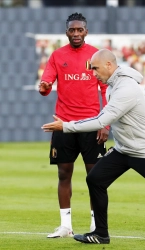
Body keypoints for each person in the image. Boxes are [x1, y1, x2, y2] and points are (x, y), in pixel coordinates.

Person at [41, 49, 145, 247]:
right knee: (95, 179)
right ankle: (100, 234)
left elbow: (102, 120)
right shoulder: (112, 85)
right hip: (124, 149)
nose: (93, 73)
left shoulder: (127, 88)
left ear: (108, 65)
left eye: (95, 68)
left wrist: (66, 126)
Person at [38, 13, 109, 238]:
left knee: (95, 177)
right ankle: (66, 226)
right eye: (72, 30)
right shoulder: (57, 56)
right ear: (66, 31)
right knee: (63, 173)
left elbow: (106, 89)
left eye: (80, 30)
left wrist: (105, 122)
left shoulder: (95, 55)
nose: (76, 34)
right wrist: (44, 87)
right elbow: (46, 85)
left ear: (86, 31)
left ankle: (95, 226)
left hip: (91, 123)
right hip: (63, 124)